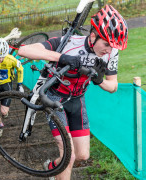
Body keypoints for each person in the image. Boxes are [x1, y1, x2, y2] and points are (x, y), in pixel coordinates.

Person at [17, 5, 128, 180]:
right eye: (106, 43)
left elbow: (113, 86)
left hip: (77, 100)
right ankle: (59, 168)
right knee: (69, 156)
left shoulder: (111, 53)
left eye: (113, 46)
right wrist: (61, 57)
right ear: (93, 35)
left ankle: (51, 168)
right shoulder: (69, 43)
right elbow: (23, 50)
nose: (109, 50)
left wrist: (99, 81)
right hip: (54, 98)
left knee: (82, 155)